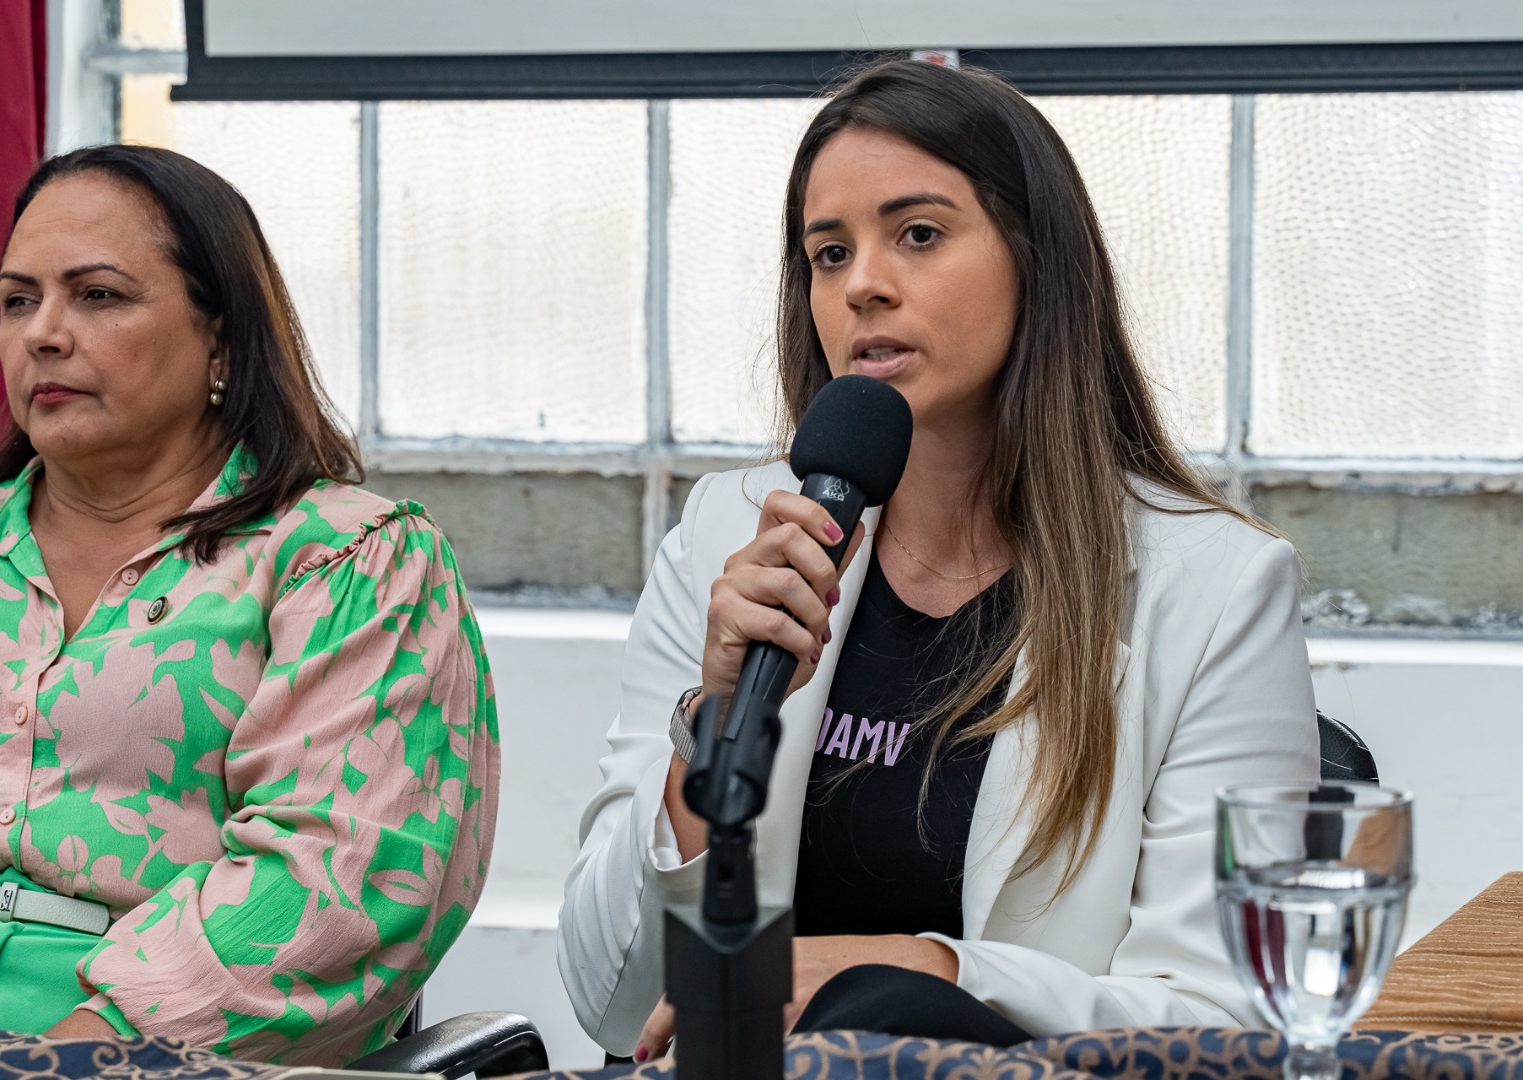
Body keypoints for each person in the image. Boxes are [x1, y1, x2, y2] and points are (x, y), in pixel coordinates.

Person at [558, 59, 1318, 1062]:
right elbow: (609, 1000)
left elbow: (1227, 1026)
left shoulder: (1219, 590)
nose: (863, 283)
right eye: (829, 253)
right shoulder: (728, 535)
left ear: (1037, 261)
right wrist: (709, 734)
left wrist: (924, 975)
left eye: (917, 235)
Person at [0, 145, 498, 1066]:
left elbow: (338, 880)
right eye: (19, 300)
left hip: (155, 1049)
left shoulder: (348, 561)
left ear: (221, 341)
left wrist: (73, 1054)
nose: (43, 334)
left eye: (97, 295)